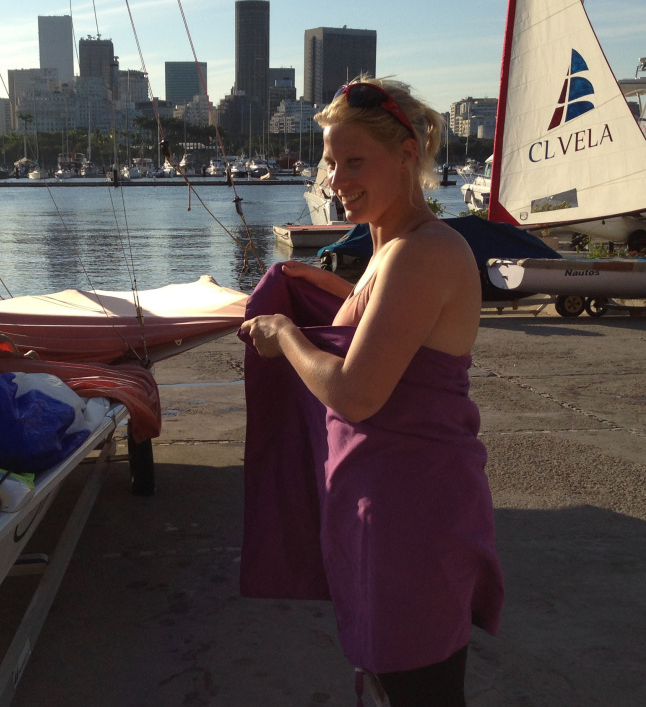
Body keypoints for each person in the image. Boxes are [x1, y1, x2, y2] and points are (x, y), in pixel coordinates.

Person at [239, 78, 503, 705]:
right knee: (395, 681)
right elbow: (398, 334)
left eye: (355, 160)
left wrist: (285, 332)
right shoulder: (388, 246)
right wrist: (328, 294)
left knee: (419, 689)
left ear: (409, 154)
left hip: (411, 516)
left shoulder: (421, 251)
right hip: (377, 505)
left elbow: (355, 393)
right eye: (331, 160)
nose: (336, 178)